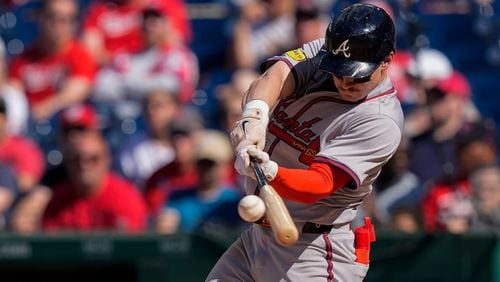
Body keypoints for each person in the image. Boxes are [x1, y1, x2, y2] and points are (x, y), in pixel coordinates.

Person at [207, 3, 403, 281]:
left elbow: (320, 184)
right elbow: (275, 75)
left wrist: (271, 173)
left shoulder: (381, 120)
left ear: (387, 60)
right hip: (257, 238)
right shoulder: (328, 51)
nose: (345, 81)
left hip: (313, 250)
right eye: (339, 71)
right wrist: (256, 114)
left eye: (357, 75)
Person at [9, 0, 96, 122]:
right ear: (40, 17)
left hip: (62, 125)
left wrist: (46, 107)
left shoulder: (79, 55)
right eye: (52, 17)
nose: (58, 25)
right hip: (28, 123)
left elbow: (79, 89)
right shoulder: (24, 59)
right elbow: (13, 93)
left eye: (66, 19)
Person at [42, 132, 147, 232]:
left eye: (93, 159)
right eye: (76, 159)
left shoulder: (126, 199)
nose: (84, 165)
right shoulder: (58, 200)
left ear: (107, 159)